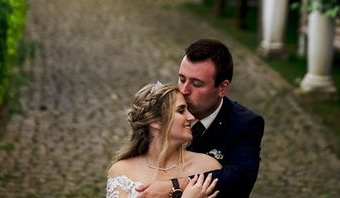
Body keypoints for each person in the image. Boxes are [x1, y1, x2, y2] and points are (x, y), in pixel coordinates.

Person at [137, 39, 264, 198]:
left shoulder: (245, 124)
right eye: (182, 79)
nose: (183, 90)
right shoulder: (164, 111)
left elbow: (240, 179)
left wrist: (176, 185)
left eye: (196, 84)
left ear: (222, 88)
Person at [107, 82, 222, 198]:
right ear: (156, 121)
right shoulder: (122, 171)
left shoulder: (207, 166)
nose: (191, 117)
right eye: (181, 111)